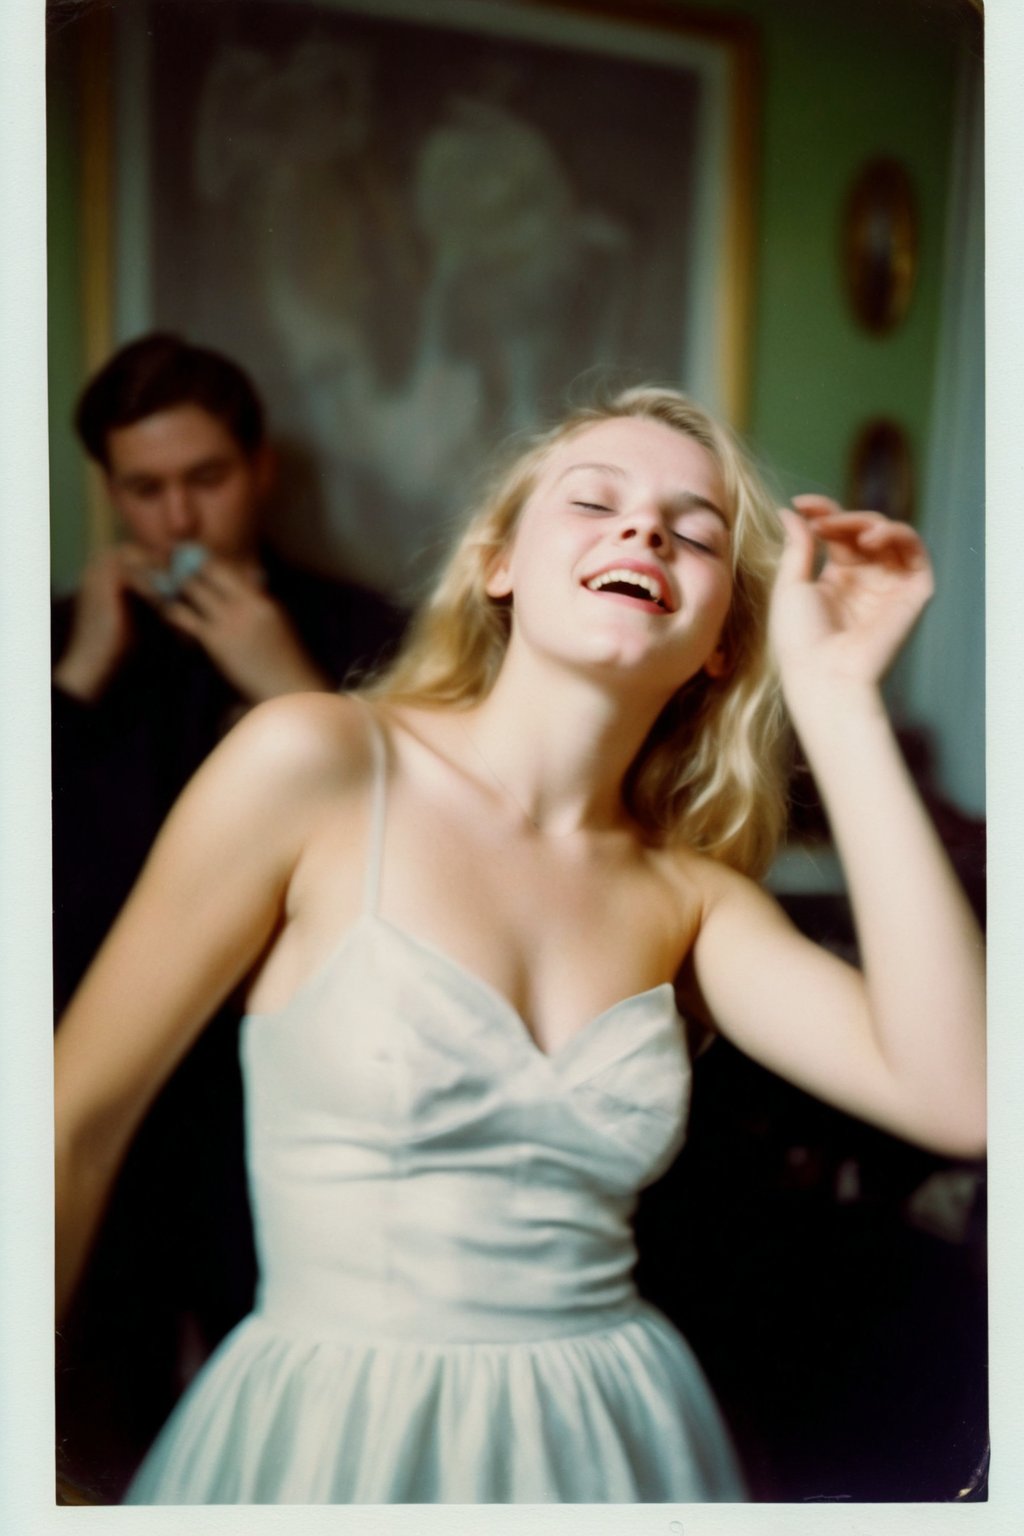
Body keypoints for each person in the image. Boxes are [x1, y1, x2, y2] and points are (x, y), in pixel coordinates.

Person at [54, 386, 985, 1504]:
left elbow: (963, 1098)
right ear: (498, 564)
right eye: (593, 502)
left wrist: (839, 699)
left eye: (693, 531)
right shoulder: (316, 762)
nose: (642, 530)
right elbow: (71, 1127)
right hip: (328, 1433)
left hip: (617, 1437)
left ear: (723, 646)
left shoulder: (694, 900)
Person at [51, 333, 406, 1496]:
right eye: (143, 489)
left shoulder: (371, 634)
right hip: (101, 1086)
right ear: (110, 491)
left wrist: (289, 680)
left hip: (295, 1094)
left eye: (202, 478)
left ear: (260, 469)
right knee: (95, 1410)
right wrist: (74, 684)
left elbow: (425, 860)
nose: (175, 517)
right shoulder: (52, 643)